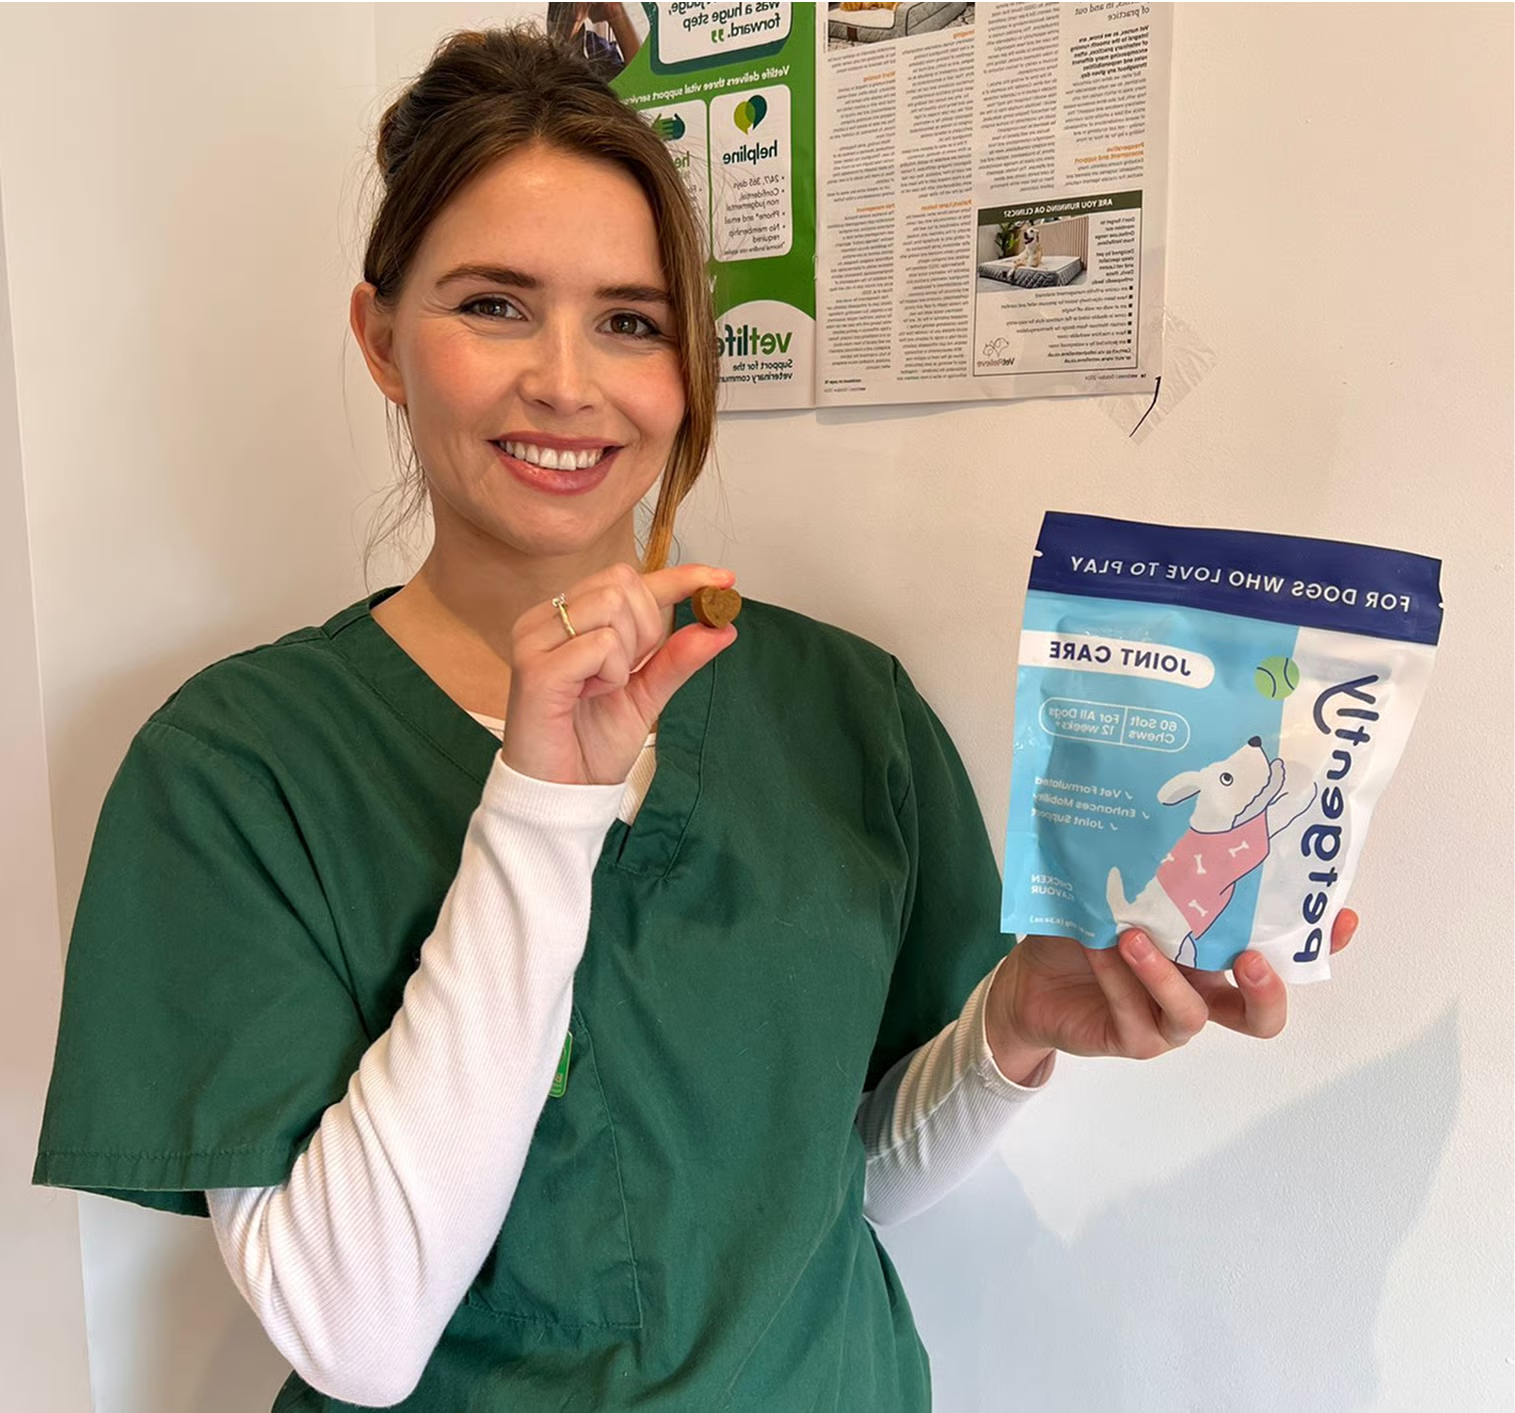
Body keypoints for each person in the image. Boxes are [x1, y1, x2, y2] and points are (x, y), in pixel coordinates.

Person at [33, 26, 1358, 1413]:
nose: (566, 381)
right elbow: (354, 1334)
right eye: (493, 305)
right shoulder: (238, 772)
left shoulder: (845, 710)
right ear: (380, 340)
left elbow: (828, 1188)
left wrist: (1009, 1031)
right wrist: (540, 808)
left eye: (631, 321)